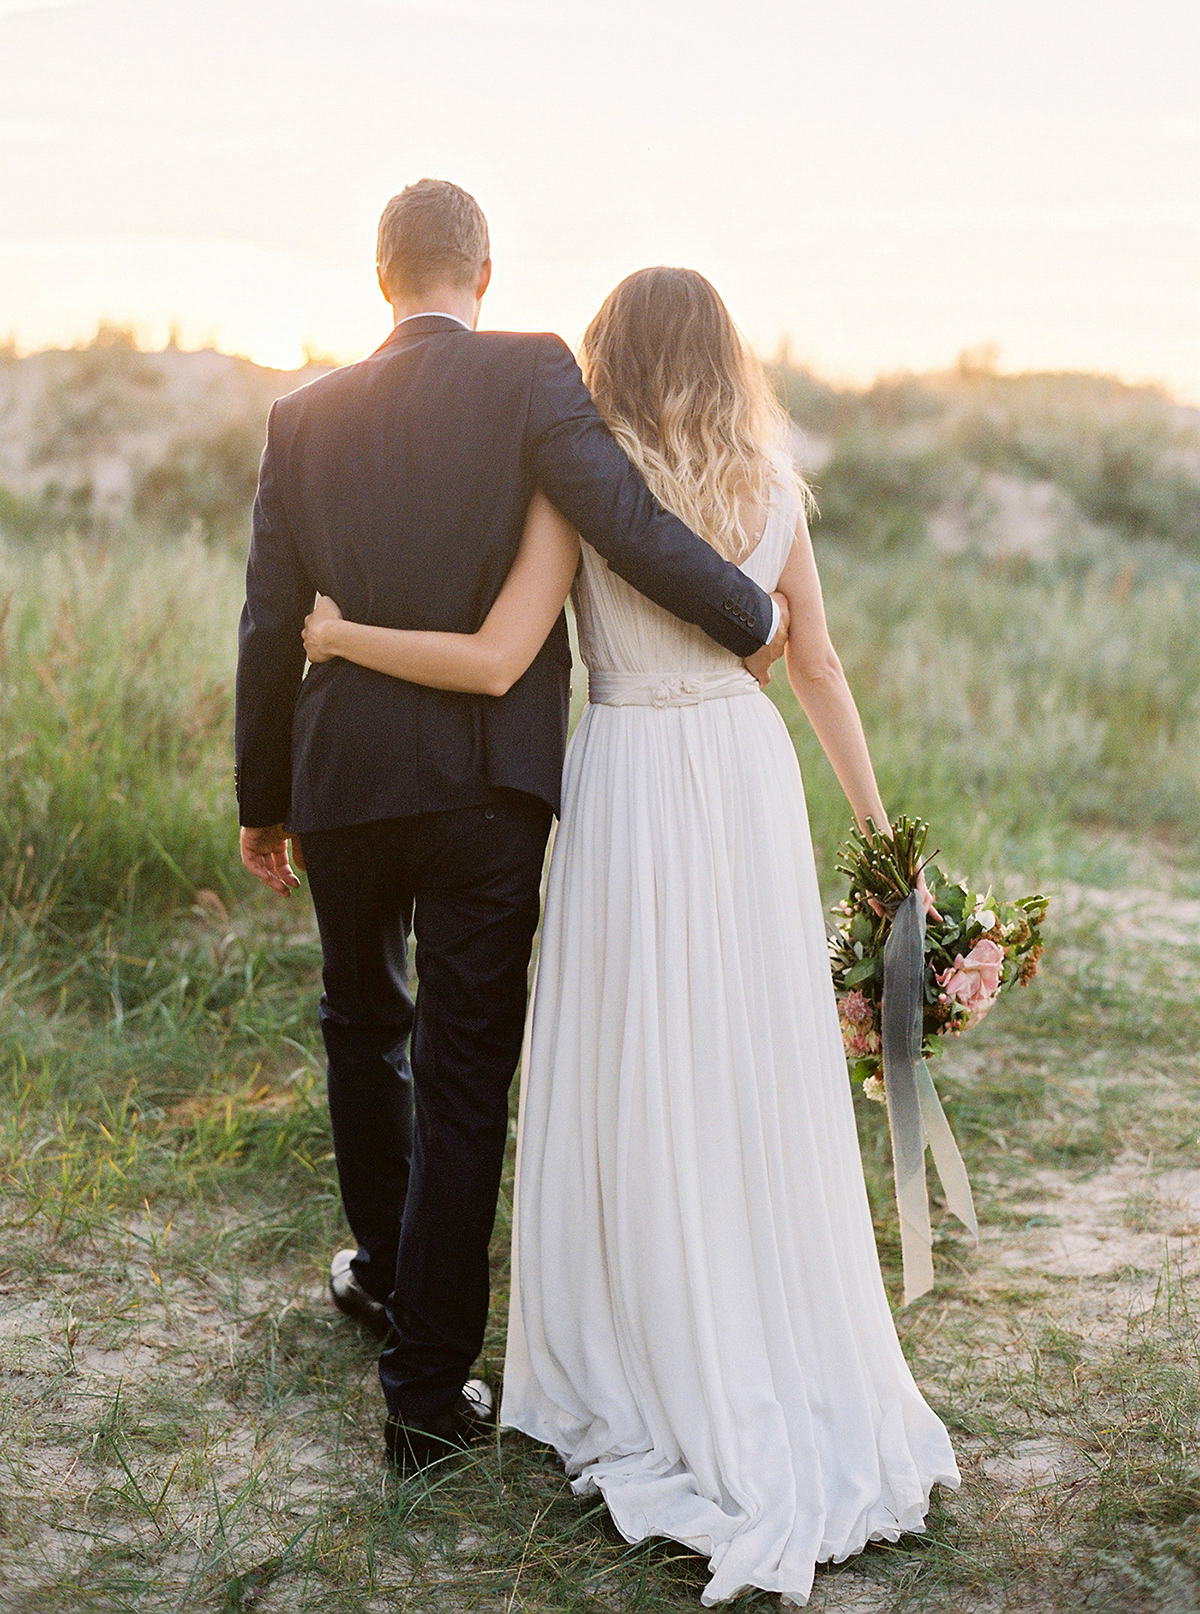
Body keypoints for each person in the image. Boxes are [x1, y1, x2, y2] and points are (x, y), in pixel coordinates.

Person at [301, 266, 958, 1607]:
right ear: (726, 359)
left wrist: (338, 633)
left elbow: (496, 658)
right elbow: (815, 667)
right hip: (746, 779)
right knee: (749, 1062)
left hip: (633, 786)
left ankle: (639, 1341)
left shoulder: (580, 490)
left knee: (629, 1067)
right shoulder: (775, 490)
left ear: (604, 359)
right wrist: (889, 842)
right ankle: (760, 1319)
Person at [234, 182, 788, 1473]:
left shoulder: (299, 415)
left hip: (344, 777)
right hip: (488, 786)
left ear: (381, 274)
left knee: (360, 1023)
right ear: (482, 267)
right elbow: (628, 524)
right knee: (467, 1065)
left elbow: (271, 619)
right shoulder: (532, 373)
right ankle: (425, 1389)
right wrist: (748, 615)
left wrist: (264, 800)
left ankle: (380, 1267)